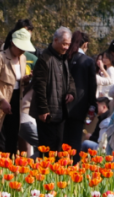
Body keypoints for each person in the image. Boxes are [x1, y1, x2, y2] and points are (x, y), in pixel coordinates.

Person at [30, 27, 75, 155]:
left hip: (60, 112)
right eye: (64, 44)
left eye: (68, 44)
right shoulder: (44, 59)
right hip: (48, 113)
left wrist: (71, 92)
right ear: (55, 40)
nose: (66, 47)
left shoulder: (63, 58)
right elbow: (39, 86)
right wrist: (43, 109)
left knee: (58, 146)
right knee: (47, 148)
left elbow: (70, 78)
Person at [65, 31, 96, 157]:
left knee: (64, 139)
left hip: (64, 104)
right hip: (80, 106)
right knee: (75, 140)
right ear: (85, 44)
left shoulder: (65, 58)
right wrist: (92, 105)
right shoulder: (88, 61)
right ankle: (74, 166)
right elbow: (92, 86)